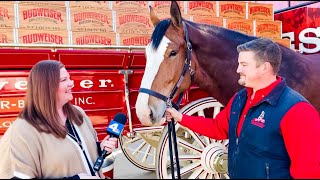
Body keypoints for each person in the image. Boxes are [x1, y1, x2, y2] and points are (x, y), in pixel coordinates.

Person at [166, 38, 320, 178]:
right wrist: (180, 117)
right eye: (239, 64)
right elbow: (218, 128)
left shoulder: (297, 110)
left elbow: (308, 172)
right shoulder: (240, 98)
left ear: (265, 68)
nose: (238, 70)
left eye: (244, 65)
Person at [0, 60, 118, 179]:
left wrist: (100, 149)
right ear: (46, 87)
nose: (71, 83)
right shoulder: (23, 129)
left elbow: (79, 151)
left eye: (69, 78)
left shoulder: (78, 113)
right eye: (64, 80)